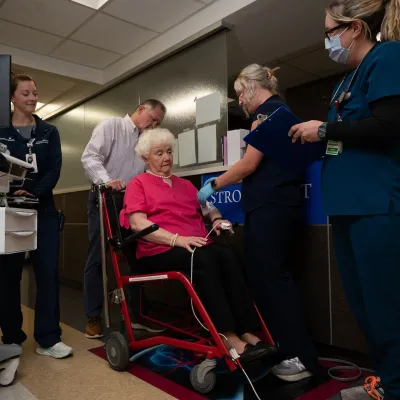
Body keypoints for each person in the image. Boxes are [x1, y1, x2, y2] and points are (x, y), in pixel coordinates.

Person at [289, 0, 400, 397]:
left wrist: (325, 131)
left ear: (354, 28)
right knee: (366, 308)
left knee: (386, 306)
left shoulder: (387, 56)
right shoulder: (346, 81)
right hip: (347, 206)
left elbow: (389, 124)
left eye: (329, 31)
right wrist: (315, 137)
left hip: (374, 204)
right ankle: (388, 383)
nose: (327, 41)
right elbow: (343, 136)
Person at [197, 64, 321, 382]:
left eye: (240, 93)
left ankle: (301, 357)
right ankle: (290, 349)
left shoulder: (268, 114)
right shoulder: (282, 113)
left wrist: (213, 185)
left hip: (271, 208)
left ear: (253, 87)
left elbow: (249, 164)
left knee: (274, 282)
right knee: (271, 280)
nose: (240, 101)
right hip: (278, 207)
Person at [119, 128, 277, 363]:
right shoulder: (138, 184)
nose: (166, 158)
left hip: (195, 245)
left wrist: (216, 219)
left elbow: (207, 207)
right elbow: (137, 223)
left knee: (228, 255)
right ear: (145, 157)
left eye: (169, 152)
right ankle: (228, 336)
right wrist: (177, 239)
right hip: (159, 249)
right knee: (206, 259)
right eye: (159, 153)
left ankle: (246, 330)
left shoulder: (185, 185)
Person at [0, 72, 72, 359]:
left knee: (47, 274)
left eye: (34, 92)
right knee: (8, 277)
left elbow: (54, 169)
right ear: (12, 97)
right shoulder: (1, 131)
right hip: (9, 212)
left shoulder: (48, 132)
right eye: (26, 93)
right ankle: (12, 338)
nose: (32, 98)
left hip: (42, 210)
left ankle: (48, 339)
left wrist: (35, 193)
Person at [81, 99, 167, 339]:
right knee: (98, 258)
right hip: (103, 197)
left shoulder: (146, 141)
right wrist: (107, 180)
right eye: (152, 119)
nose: (153, 125)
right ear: (140, 109)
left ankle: (137, 315)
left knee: (136, 257)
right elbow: (89, 158)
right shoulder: (111, 127)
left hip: (130, 203)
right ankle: (93, 317)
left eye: (157, 123)